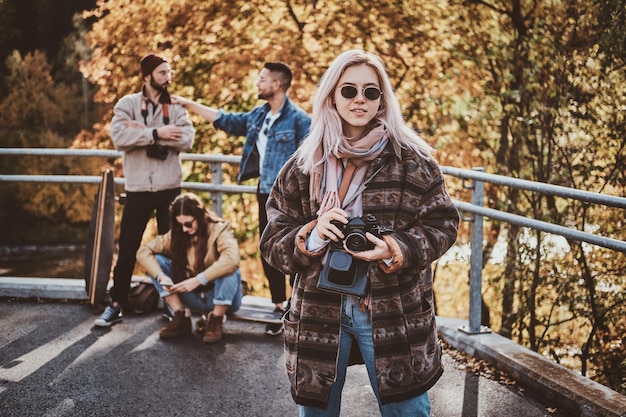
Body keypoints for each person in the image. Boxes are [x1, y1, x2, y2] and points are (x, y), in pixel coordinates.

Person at [259, 49, 459, 416]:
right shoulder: (303, 166)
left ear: (383, 99)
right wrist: (314, 235)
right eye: (349, 90)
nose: (359, 100)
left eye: (371, 91)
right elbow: (272, 243)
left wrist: (394, 248)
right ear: (332, 95)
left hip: (392, 309)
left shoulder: (412, 161)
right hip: (319, 311)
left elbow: (443, 224)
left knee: (409, 412)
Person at [172, 61, 311, 335]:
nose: (257, 84)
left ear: (277, 85)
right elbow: (225, 120)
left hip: (293, 198)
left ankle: (298, 307)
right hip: (265, 193)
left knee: (295, 251)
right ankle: (279, 304)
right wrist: (188, 104)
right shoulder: (259, 116)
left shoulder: (299, 119)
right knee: (268, 248)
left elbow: (311, 162)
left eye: (262, 80)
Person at [95, 53, 195, 327]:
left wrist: (144, 130)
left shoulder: (175, 105)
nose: (168, 77)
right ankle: (116, 304)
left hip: (169, 188)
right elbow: (118, 137)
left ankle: (172, 305)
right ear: (147, 76)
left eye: (169, 72)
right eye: (162, 72)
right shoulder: (127, 104)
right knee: (128, 247)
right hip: (138, 188)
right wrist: (157, 134)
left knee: (172, 249)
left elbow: (187, 139)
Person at [135, 193, 242, 343]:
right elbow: (143, 252)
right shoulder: (177, 234)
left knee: (230, 268)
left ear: (199, 215)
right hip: (192, 296)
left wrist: (199, 279)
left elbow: (232, 259)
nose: (184, 229)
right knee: (157, 262)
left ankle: (216, 320)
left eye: (188, 224)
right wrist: (161, 277)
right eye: (179, 225)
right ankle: (180, 317)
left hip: (222, 299)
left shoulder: (220, 229)